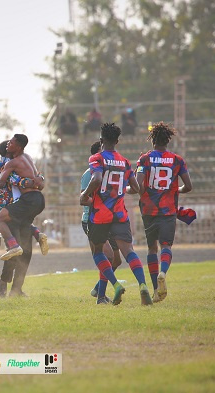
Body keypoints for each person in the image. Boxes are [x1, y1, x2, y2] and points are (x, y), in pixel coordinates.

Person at [80, 123, 153, 306]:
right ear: (118, 141)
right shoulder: (125, 162)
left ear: (101, 139)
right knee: (128, 251)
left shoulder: (97, 158)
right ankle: (143, 286)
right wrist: (122, 188)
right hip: (120, 214)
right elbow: (137, 188)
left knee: (99, 252)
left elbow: (96, 179)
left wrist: (85, 194)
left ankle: (115, 286)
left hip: (100, 214)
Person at [0, 135, 46, 297]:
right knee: (16, 251)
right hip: (11, 211)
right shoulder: (5, 164)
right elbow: (16, 181)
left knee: (23, 251)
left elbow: (27, 179)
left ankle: (16, 289)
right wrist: (34, 181)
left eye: (12, 142)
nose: (10, 144)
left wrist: (37, 180)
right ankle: (4, 284)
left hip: (20, 207)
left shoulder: (20, 160)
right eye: (8, 144)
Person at [136, 122, 192, 302]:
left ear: (153, 140)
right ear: (167, 140)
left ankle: (155, 290)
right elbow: (188, 186)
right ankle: (163, 272)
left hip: (149, 210)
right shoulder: (177, 160)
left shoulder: (144, 159)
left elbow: (138, 186)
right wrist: (176, 190)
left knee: (152, 248)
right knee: (166, 246)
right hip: (168, 211)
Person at [80, 141, 123, 304]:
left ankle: (98, 289)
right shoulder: (89, 174)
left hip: (110, 219)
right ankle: (101, 297)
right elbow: (83, 199)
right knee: (108, 256)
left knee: (117, 260)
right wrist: (104, 203)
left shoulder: (110, 172)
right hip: (93, 220)